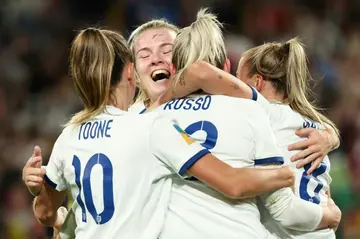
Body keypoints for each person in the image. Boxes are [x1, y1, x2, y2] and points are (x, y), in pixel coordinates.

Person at [23, 27, 297, 239]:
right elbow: (233, 184)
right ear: (131, 72)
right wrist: (283, 175)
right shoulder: (152, 128)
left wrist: (40, 191)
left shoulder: (68, 136)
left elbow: (45, 213)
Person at [150, 9, 340, 239]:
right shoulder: (301, 122)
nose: (234, 86)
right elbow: (282, 204)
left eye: (238, 81)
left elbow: (199, 72)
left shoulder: (258, 108)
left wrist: (158, 103)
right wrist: (331, 137)